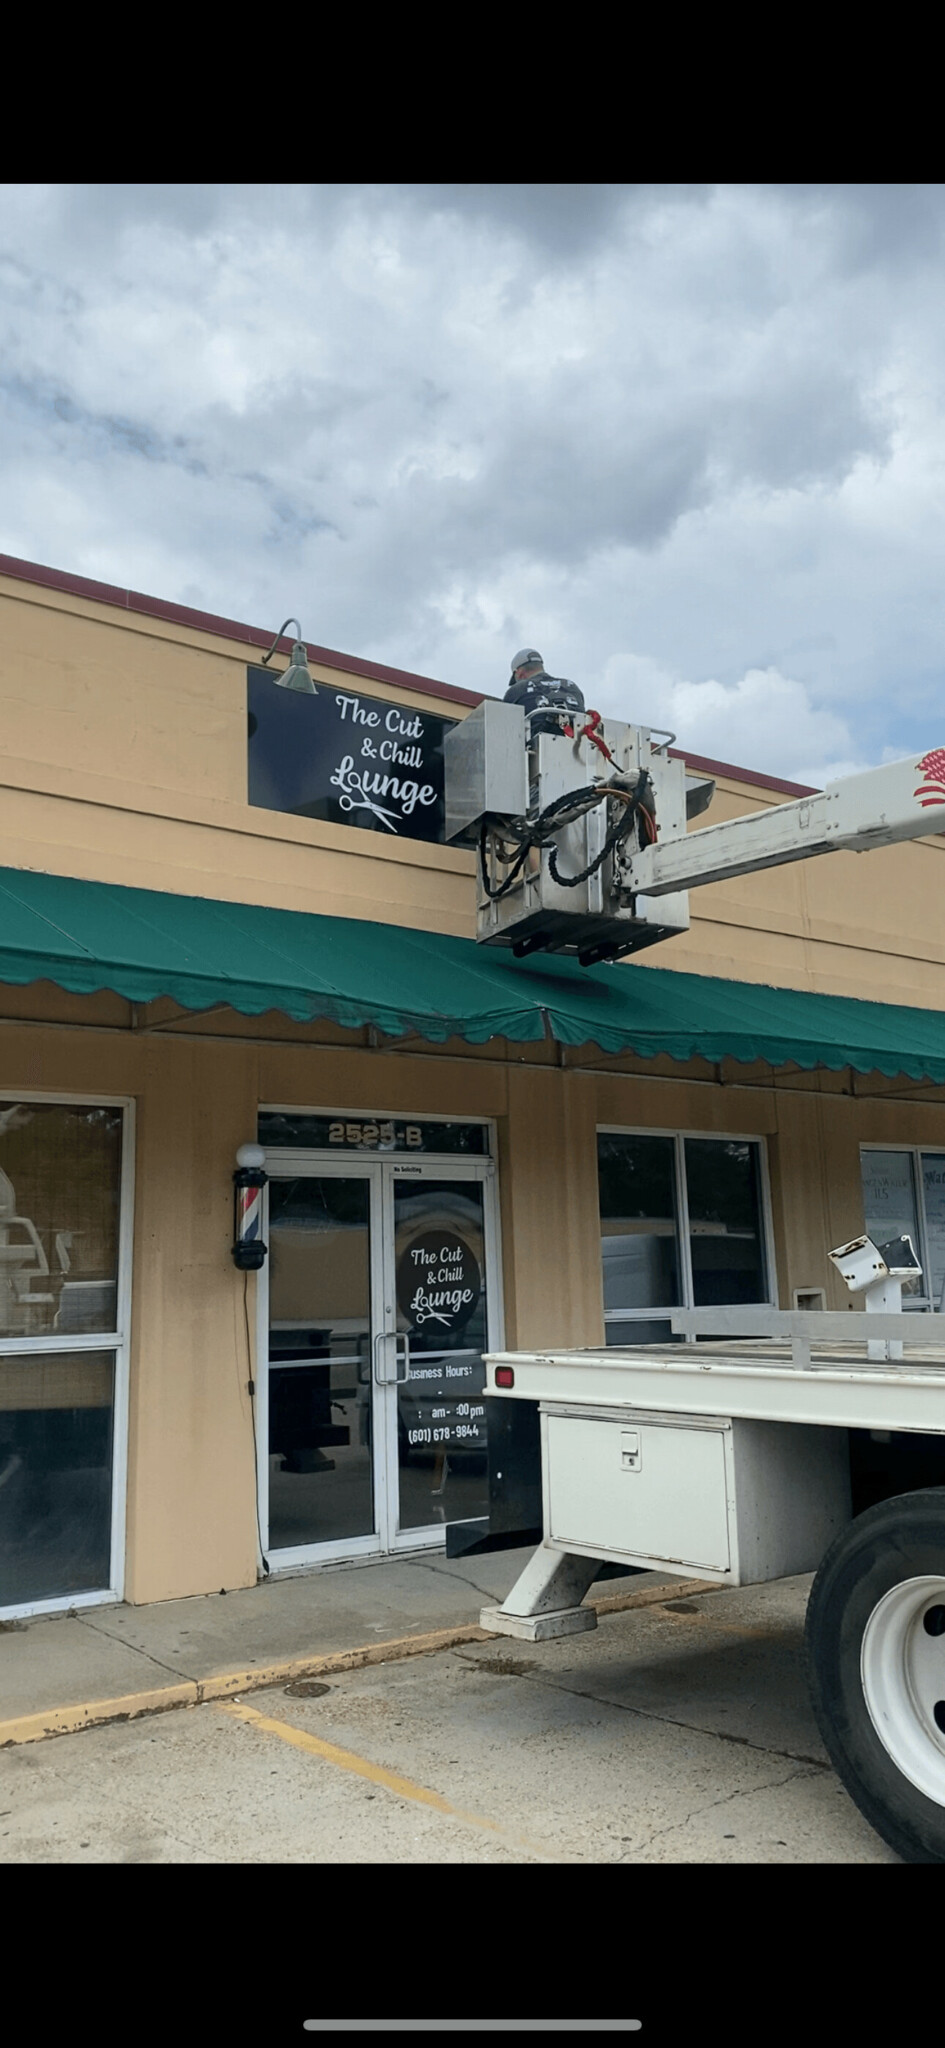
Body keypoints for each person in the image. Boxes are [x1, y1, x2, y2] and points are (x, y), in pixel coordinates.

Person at [503, 649, 586, 736]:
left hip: (537, 743)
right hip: (579, 741)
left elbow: (502, 726)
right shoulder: (572, 686)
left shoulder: (516, 690)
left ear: (519, 672)